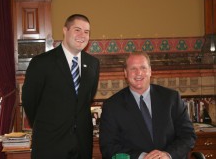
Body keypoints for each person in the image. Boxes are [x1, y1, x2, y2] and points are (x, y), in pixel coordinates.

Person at [22, 14, 100, 159]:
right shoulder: (41, 63)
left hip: (82, 145)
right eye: (77, 30)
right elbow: (30, 103)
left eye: (86, 32)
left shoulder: (93, 64)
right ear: (65, 30)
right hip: (50, 145)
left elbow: (86, 100)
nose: (82, 35)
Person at [99, 51, 196, 159]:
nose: (138, 73)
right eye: (133, 69)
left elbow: (188, 136)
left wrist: (168, 155)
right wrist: (142, 157)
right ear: (125, 73)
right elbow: (108, 147)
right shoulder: (112, 106)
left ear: (150, 71)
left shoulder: (171, 98)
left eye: (143, 68)